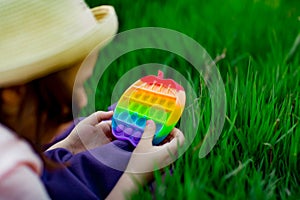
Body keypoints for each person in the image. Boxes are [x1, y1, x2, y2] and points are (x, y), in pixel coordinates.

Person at [0, 1, 185, 200]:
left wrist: (68, 146)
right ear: (12, 93)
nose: (83, 99)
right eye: (79, 86)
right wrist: (135, 176)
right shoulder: (14, 179)